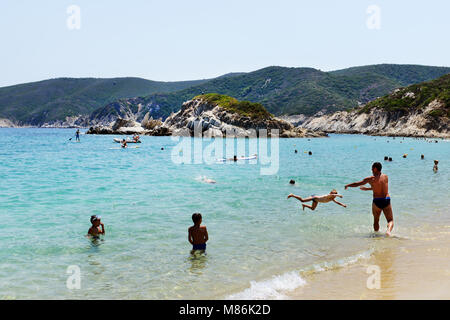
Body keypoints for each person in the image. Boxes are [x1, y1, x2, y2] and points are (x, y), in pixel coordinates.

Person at [345, 162, 394, 236]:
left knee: (376, 221)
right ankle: (388, 231)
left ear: (375, 168)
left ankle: (376, 236)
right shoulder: (386, 177)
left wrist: (348, 185)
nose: (371, 169)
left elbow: (357, 184)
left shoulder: (371, 179)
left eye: (372, 168)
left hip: (377, 201)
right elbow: (380, 187)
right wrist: (367, 189)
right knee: (390, 220)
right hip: (386, 199)